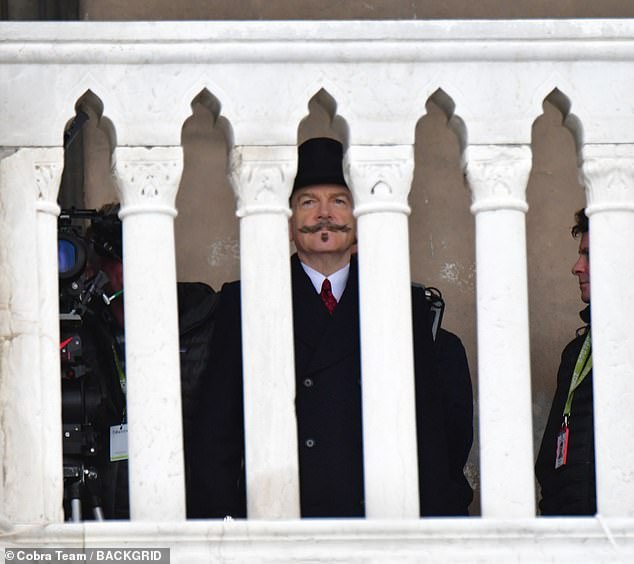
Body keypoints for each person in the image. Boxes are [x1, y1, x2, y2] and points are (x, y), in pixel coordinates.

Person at [189, 137, 473, 518]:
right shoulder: (246, 300)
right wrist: (222, 528)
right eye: (308, 202)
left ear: (360, 219)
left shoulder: (399, 301)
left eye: (339, 201)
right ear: (288, 223)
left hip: (379, 524)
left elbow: (431, 432)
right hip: (279, 522)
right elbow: (217, 427)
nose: (325, 214)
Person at [535, 209, 595, 515]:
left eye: (589, 255)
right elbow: (550, 459)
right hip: (571, 535)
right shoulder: (576, 352)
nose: (577, 268)